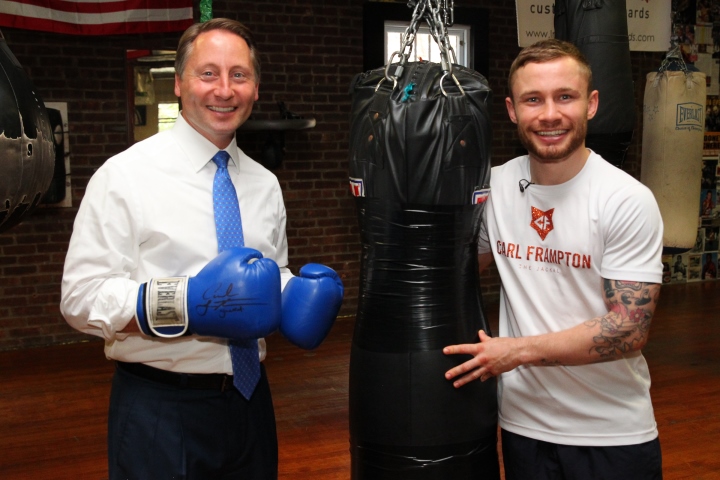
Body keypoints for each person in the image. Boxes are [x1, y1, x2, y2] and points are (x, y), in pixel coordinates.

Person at [60, 18, 342, 480]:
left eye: (239, 75)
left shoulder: (264, 183)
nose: (224, 90)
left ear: (255, 88)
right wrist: (186, 304)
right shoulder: (125, 175)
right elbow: (80, 297)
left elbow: (269, 271)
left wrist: (295, 291)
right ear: (179, 82)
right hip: (161, 408)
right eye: (208, 73)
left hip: (251, 403)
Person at [443, 39, 664, 479]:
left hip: (611, 434)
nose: (549, 115)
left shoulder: (625, 200)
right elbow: (456, 273)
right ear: (511, 110)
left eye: (565, 96)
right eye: (533, 100)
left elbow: (628, 329)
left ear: (592, 104)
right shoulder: (495, 188)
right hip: (523, 427)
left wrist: (516, 352)